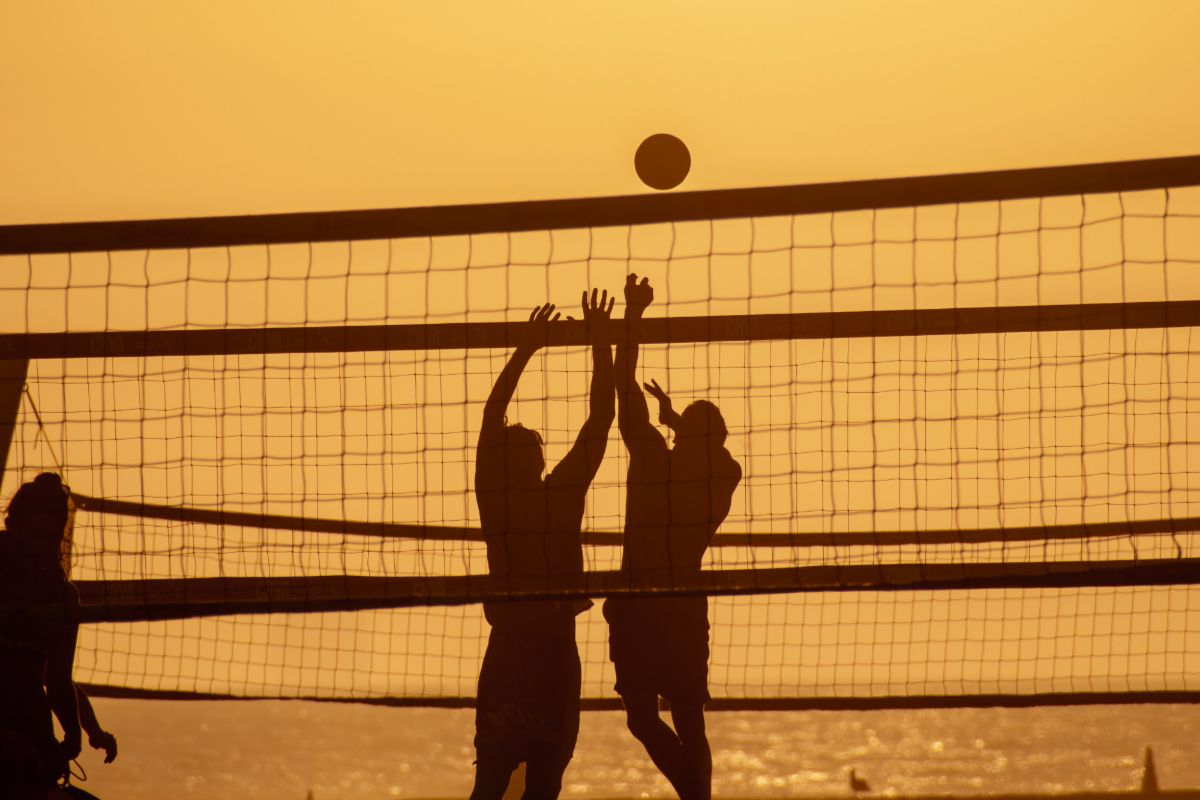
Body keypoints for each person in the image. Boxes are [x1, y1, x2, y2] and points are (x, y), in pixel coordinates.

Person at [471, 289, 615, 800]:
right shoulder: (558, 495)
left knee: (490, 783)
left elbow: (492, 418)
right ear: (534, 461)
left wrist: (528, 348)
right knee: (540, 786)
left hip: (512, 647)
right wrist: (601, 343)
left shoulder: (497, 500)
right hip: (552, 649)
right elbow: (600, 421)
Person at [603, 274, 741, 800]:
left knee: (663, 719)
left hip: (649, 606)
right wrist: (680, 422)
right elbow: (625, 393)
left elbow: (624, 389)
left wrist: (634, 317)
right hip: (667, 606)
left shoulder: (658, 461)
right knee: (673, 722)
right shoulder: (716, 478)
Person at [0, 473, 83, 797]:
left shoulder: (63, 595)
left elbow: (59, 679)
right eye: (36, 536)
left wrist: (73, 734)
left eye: (52, 538)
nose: (43, 547)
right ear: (12, 526)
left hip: (31, 726)